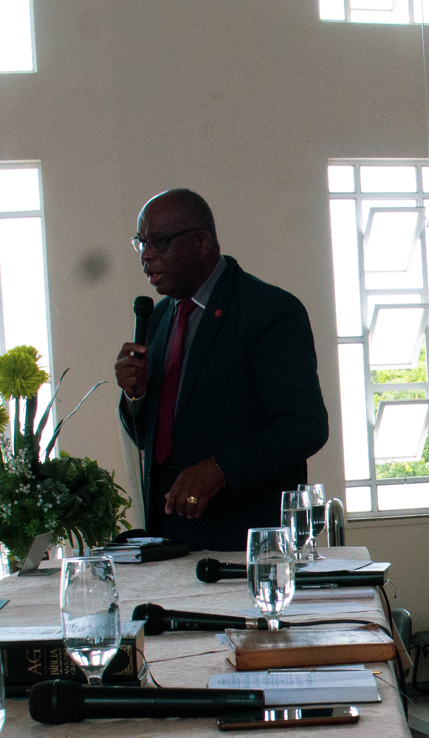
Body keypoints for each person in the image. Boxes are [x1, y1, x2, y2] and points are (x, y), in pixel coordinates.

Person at [114, 189, 328, 551]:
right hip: (170, 534)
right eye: (142, 243)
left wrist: (220, 468)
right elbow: (158, 439)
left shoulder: (268, 311)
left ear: (201, 242)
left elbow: (305, 427)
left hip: (245, 538)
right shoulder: (159, 318)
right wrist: (136, 396)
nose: (146, 255)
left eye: (159, 242)